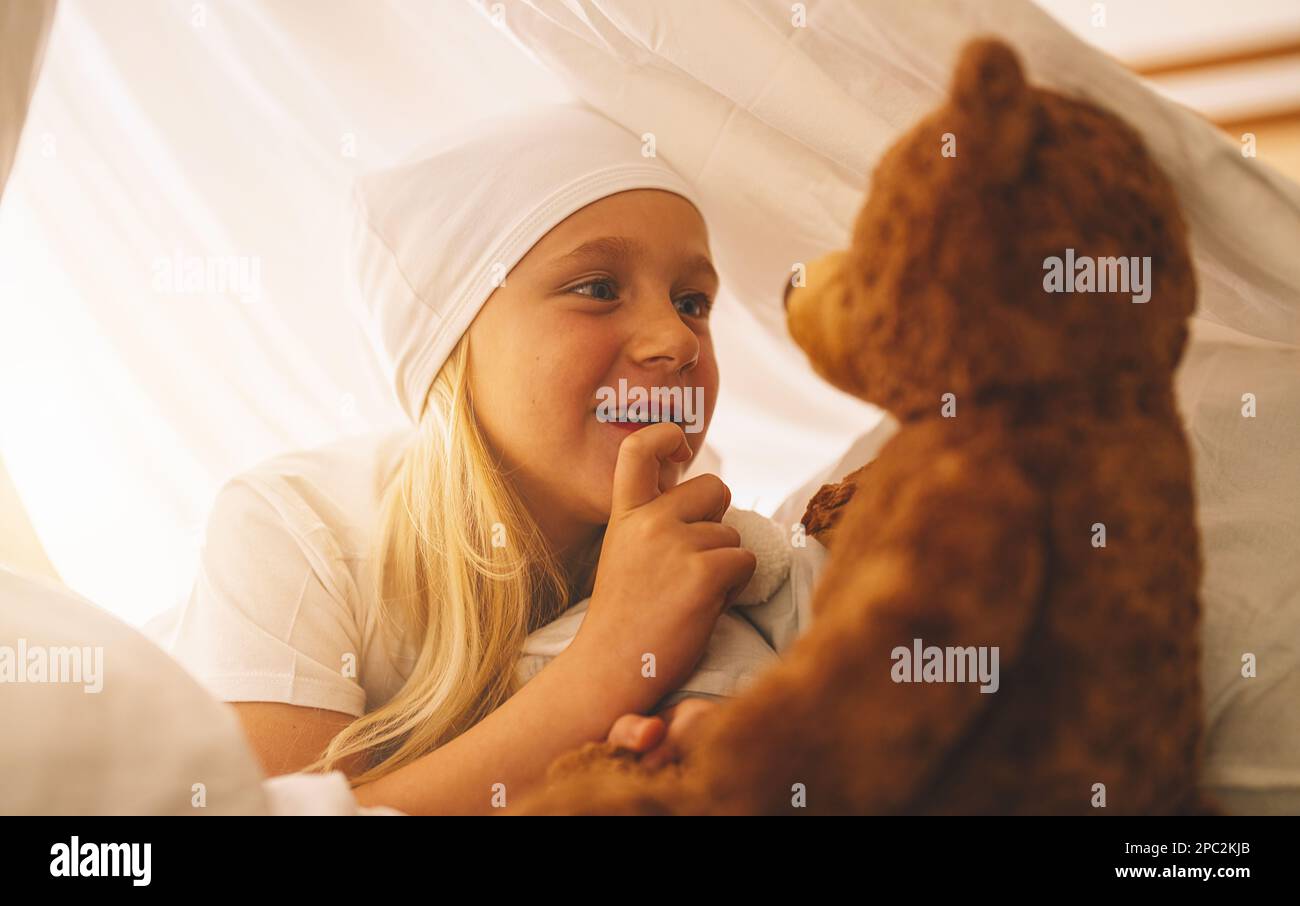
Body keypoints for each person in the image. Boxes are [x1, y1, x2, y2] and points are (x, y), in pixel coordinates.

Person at [164, 104, 769, 815]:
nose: (679, 338)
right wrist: (610, 662)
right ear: (453, 346)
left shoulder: (715, 555)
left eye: (693, 300)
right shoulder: (294, 528)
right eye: (598, 289)